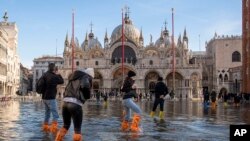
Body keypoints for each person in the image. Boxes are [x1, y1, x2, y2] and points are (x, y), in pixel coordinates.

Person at [55, 68, 94, 141]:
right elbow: (85, 86)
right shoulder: (86, 76)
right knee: (77, 130)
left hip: (65, 103)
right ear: (90, 75)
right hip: (75, 104)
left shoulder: (73, 77)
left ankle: (58, 139)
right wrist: (87, 96)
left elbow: (66, 89)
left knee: (65, 126)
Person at [41, 63, 64, 134]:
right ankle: (54, 129)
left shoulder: (44, 75)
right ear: (54, 69)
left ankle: (45, 126)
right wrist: (58, 73)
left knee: (47, 113)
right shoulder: (54, 76)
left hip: (44, 97)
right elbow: (62, 81)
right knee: (55, 114)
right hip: (51, 97)